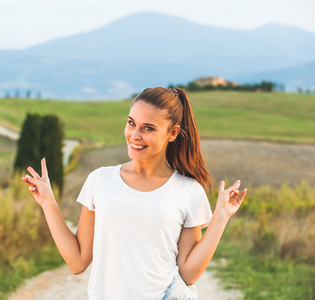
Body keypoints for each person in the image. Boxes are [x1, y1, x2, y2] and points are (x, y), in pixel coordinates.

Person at [22, 87, 247, 300]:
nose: (134, 135)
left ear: (173, 133)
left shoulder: (188, 191)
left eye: (148, 128)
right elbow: (77, 262)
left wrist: (221, 217)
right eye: (132, 123)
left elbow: (188, 274)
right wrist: (48, 203)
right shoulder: (100, 180)